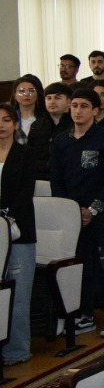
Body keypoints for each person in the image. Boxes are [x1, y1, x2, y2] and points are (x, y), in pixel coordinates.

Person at [51, 87, 104, 336]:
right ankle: (85, 314)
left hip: (102, 214)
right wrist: (71, 212)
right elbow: (56, 180)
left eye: (84, 106)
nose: (78, 111)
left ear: (95, 110)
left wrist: (92, 210)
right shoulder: (61, 141)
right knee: (81, 266)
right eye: (74, 106)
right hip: (72, 217)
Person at [0, 105, 36, 365]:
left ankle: (17, 350)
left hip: (18, 230)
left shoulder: (25, 154)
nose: (0, 125)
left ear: (15, 124)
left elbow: (25, 193)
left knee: (18, 294)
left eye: (5, 120)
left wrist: (7, 219)